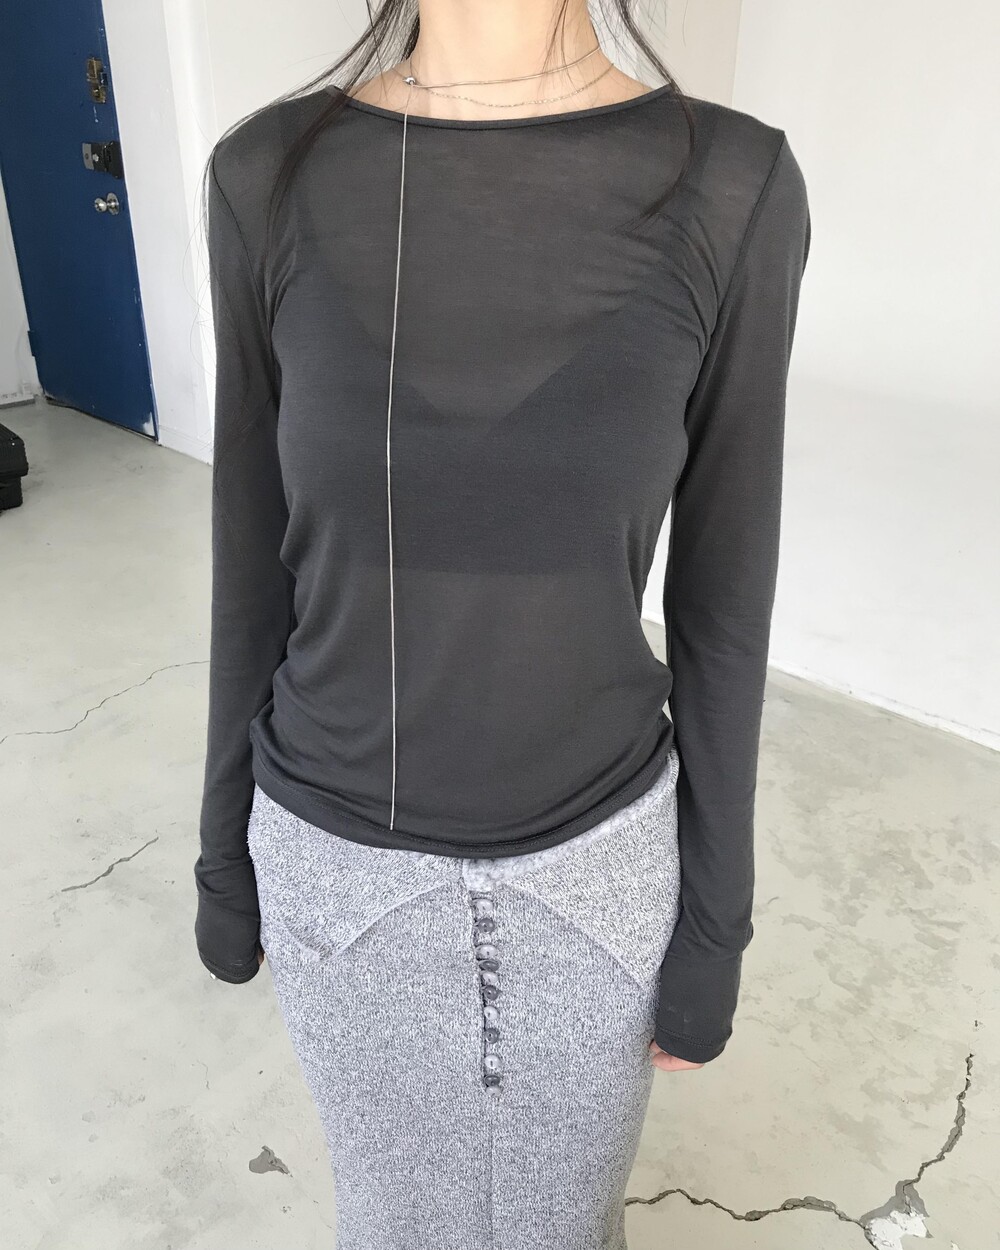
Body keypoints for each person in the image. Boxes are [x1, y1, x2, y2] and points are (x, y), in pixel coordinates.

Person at [193, 2, 811, 1246]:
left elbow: (724, 604)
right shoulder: (265, 177)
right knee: (389, 1222)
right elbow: (252, 560)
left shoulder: (734, 185)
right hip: (335, 871)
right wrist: (221, 852)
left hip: (592, 874)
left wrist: (715, 922)